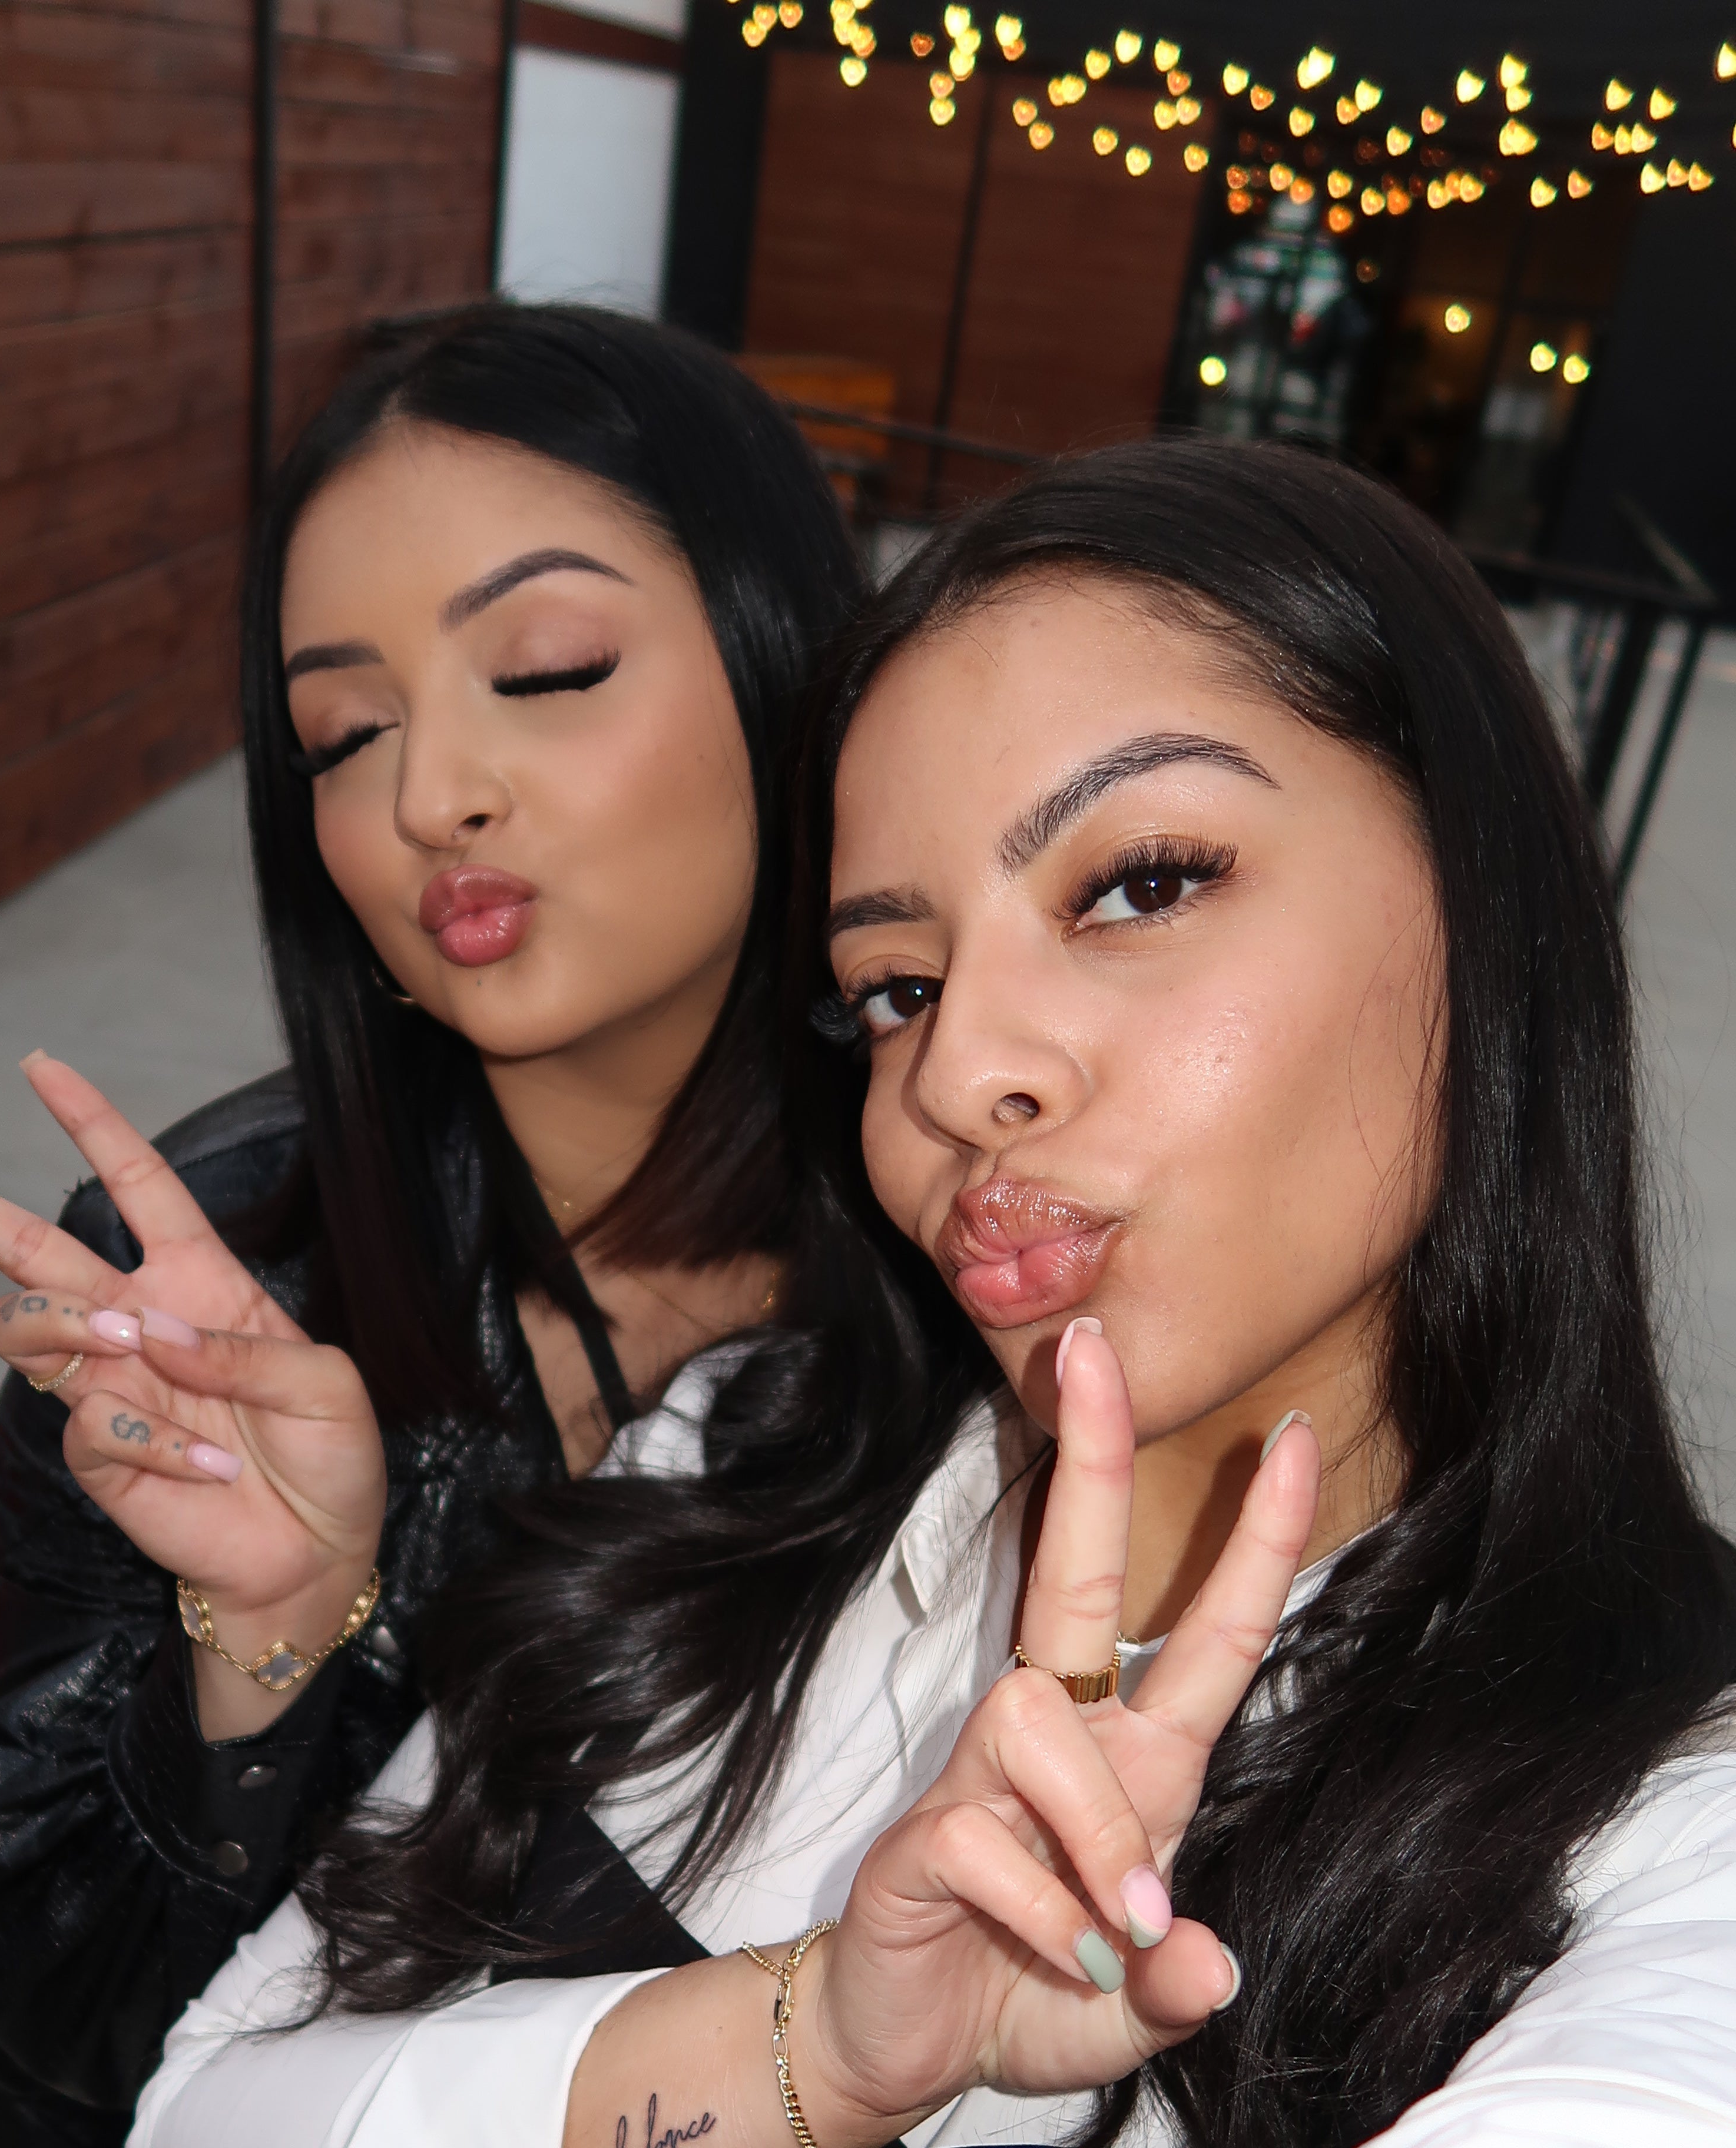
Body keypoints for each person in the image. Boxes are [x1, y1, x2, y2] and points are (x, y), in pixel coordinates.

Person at [121, 437, 1736, 2148]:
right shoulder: (741, 1458)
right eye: (894, 987)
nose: (956, 1076)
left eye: (1139, 885)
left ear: (1488, 908)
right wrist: (809, 2052)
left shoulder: (1671, 1820)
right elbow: (210, 2105)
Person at [0, 306, 986, 2146]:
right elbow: (53, 2017)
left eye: (544, 668)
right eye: (344, 729)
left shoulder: (982, 1248)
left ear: (782, 655)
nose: (425, 795)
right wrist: (264, 1649)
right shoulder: (213, 1290)